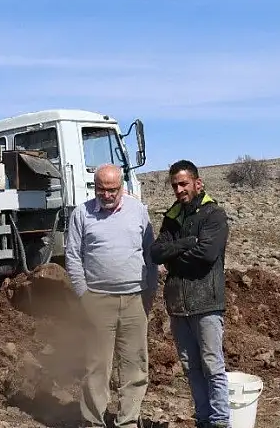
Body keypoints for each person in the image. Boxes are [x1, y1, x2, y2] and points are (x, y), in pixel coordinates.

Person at [64, 163, 158, 428]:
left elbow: (150, 254)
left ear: (122, 188)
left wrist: (150, 290)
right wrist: (84, 295)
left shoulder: (138, 210)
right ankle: (94, 422)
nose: (106, 195)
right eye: (101, 189)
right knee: (96, 366)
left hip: (134, 300)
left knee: (135, 365)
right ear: (95, 187)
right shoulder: (82, 213)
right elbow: (73, 257)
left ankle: (127, 421)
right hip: (97, 300)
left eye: (112, 190)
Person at [150, 160, 231, 428]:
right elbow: (156, 253)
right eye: (175, 185)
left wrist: (173, 258)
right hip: (179, 305)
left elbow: (206, 255)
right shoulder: (173, 216)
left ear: (198, 183)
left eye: (184, 183)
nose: (179, 189)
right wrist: (185, 244)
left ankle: (220, 421)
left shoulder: (213, 215)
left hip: (206, 302)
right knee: (191, 367)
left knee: (212, 366)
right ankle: (203, 420)